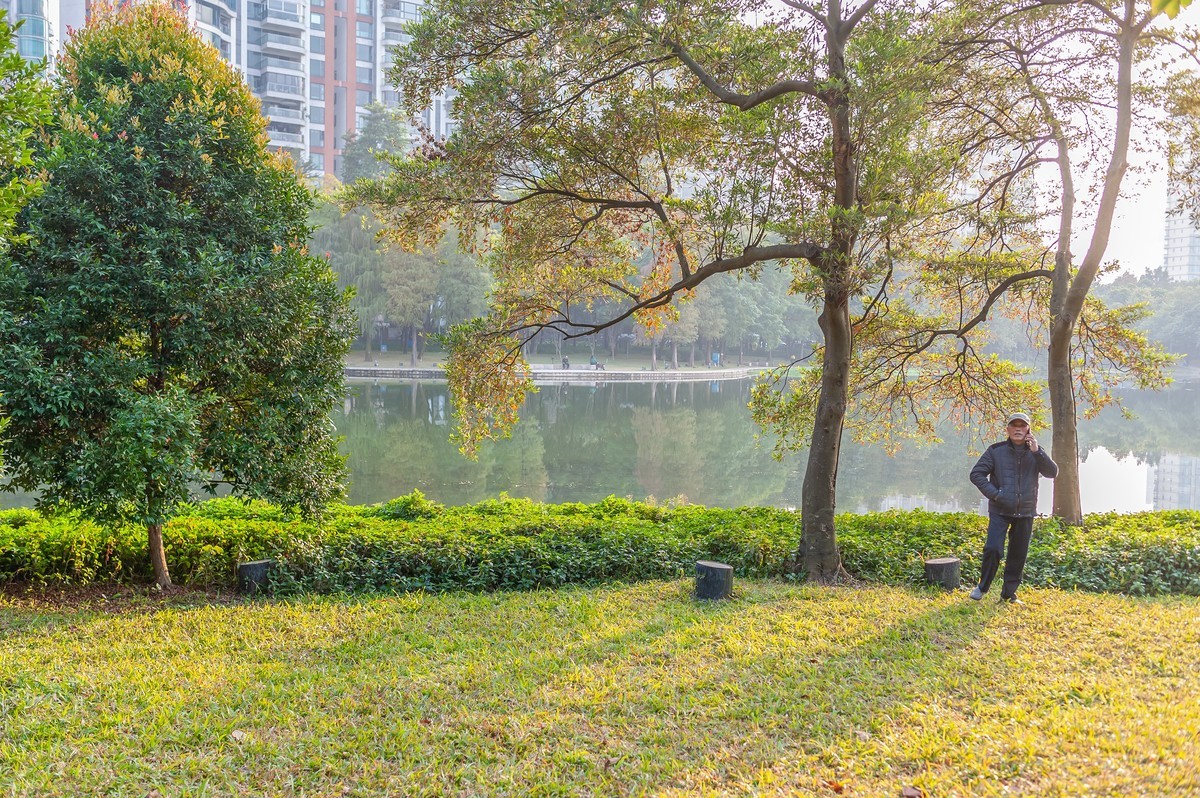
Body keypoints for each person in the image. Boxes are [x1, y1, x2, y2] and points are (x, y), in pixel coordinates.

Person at [968, 412, 1058, 604]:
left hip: (1025, 511)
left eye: (1022, 426)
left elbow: (1052, 473)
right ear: (1007, 429)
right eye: (1014, 425)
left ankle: (1009, 594)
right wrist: (996, 494)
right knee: (993, 549)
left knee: (1018, 554)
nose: (1018, 429)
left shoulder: (1036, 452)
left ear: (1028, 430)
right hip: (1000, 510)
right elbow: (976, 474)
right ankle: (982, 587)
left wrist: (1037, 452)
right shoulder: (995, 451)